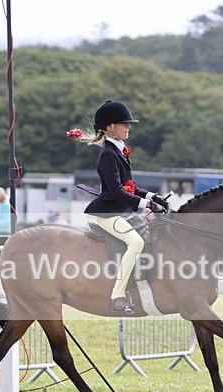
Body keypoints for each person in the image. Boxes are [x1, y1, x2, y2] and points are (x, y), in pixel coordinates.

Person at [67, 99, 168, 313]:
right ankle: (117, 296)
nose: (128, 126)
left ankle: (140, 282)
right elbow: (116, 192)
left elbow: (129, 187)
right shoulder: (108, 155)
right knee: (135, 242)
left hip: (121, 212)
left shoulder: (120, 151)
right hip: (108, 213)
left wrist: (153, 197)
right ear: (110, 127)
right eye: (124, 123)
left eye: (128, 123)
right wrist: (145, 203)